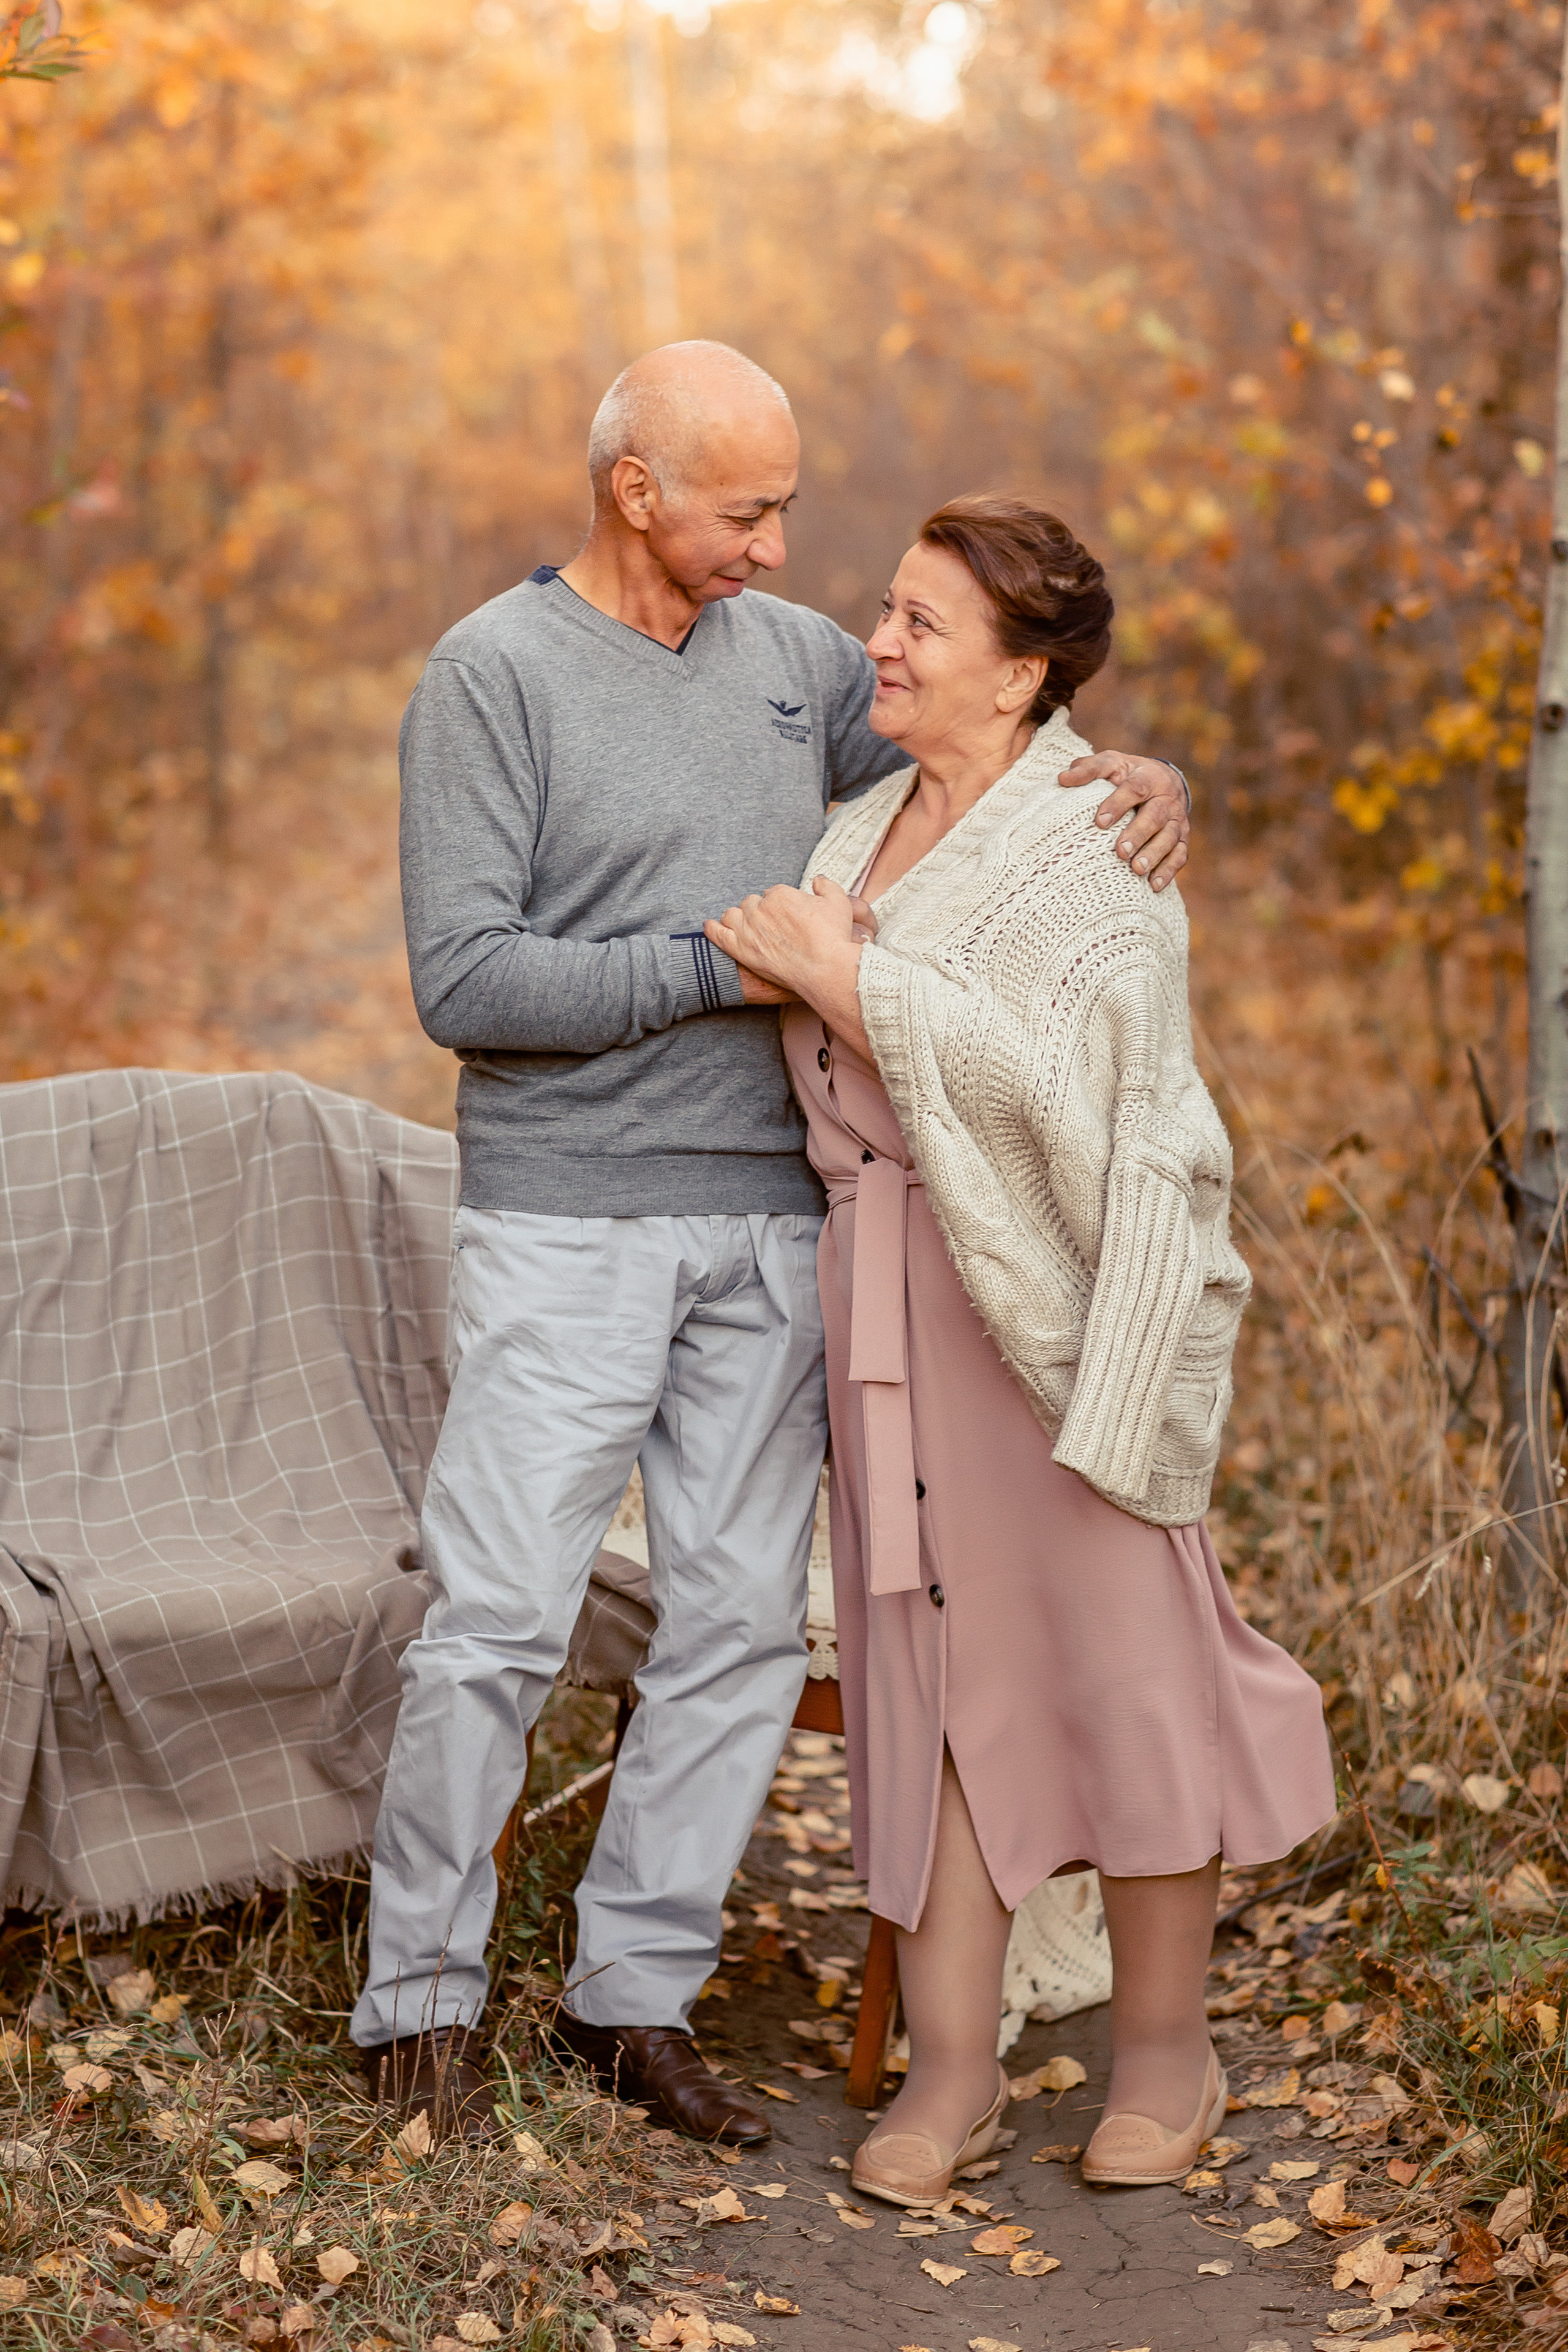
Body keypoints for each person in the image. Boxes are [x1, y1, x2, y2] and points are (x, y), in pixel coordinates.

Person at [352, 347, 1194, 2147]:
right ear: (635, 489)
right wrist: (717, 965)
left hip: (772, 1228)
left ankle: (627, 2002)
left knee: (734, 1629)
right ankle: (414, 2005)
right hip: (568, 1222)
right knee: (495, 1622)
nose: (780, 543)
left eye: (791, 508)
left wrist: (1136, 774)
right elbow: (467, 983)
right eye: (749, 509)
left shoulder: (797, 667)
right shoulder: (491, 677)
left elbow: (973, 768)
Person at [705, 494, 1336, 2198]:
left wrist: (860, 989)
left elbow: (1095, 1114)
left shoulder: (1097, 859)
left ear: (1026, 677)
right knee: (933, 1699)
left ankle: (1161, 2056)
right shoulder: (850, 831)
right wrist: (839, 965)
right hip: (886, 1302)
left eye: (920, 624)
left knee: (1128, 1679)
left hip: (1058, 1322)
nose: (879, 645)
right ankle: (956, 2074)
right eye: (886, 610)